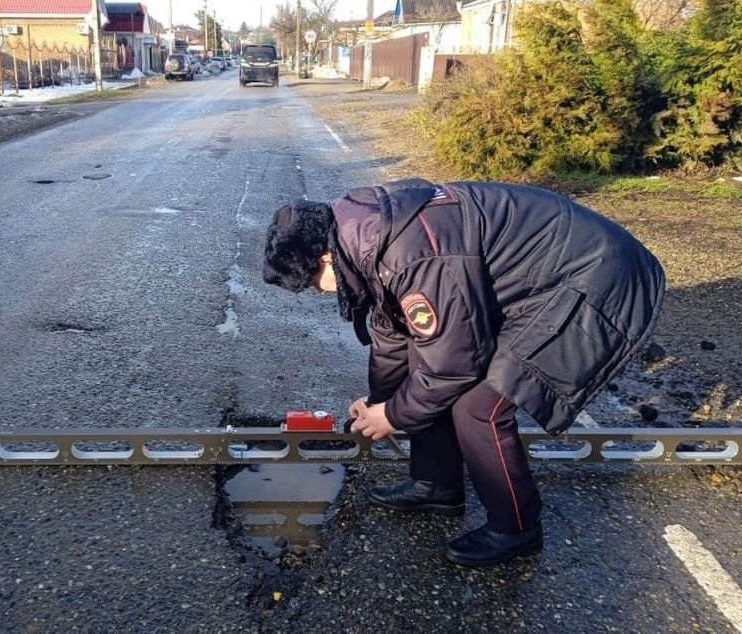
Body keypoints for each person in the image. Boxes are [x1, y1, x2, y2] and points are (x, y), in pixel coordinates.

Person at [262, 178, 665, 567]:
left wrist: (393, 416)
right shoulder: (366, 237)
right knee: (422, 372)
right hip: (539, 277)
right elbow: (392, 332)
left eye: (315, 283)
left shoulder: (410, 256)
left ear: (326, 257)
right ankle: (436, 484)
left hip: (595, 277)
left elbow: (453, 367)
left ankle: (517, 528)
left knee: (479, 404)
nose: (320, 291)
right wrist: (380, 400)